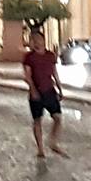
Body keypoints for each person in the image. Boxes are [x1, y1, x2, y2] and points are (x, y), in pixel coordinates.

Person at [23, 30, 65, 158]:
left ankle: (52, 141)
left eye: (38, 40)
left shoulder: (50, 55)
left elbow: (54, 72)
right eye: (33, 40)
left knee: (57, 118)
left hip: (49, 91)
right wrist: (33, 90)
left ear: (43, 40)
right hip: (36, 92)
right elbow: (27, 76)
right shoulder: (29, 57)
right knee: (37, 120)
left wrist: (59, 88)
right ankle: (40, 149)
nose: (36, 42)